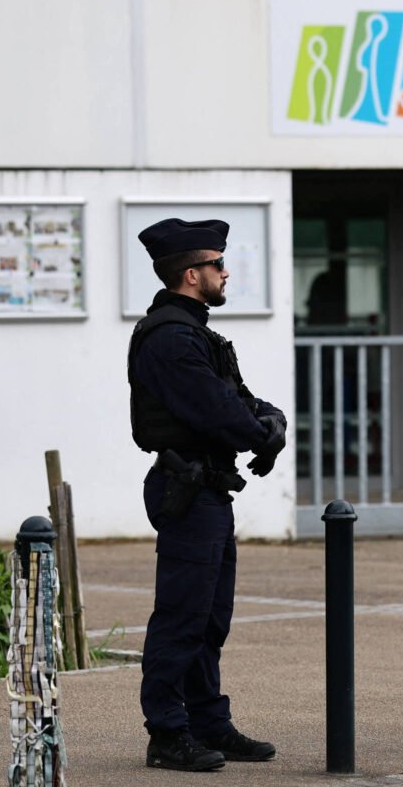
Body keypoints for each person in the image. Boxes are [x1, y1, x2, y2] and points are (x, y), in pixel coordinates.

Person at [128, 218, 287, 772]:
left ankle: (208, 723)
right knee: (182, 616)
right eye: (218, 265)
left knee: (210, 617)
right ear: (192, 274)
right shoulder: (169, 338)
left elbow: (239, 398)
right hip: (186, 488)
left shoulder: (199, 335)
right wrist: (260, 432)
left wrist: (272, 421)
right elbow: (217, 410)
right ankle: (168, 735)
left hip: (210, 490)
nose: (226, 272)